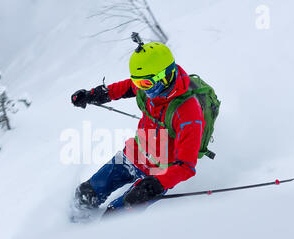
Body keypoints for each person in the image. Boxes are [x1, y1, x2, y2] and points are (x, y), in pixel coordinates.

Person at [71, 41, 206, 214]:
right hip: (134, 154)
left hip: (158, 173)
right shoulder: (152, 84)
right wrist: (94, 95)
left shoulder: (188, 112)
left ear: (165, 76)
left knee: (113, 217)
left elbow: (186, 166)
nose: (142, 89)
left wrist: (155, 185)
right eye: (139, 83)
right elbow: (128, 86)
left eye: (146, 84)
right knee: (85, 195)